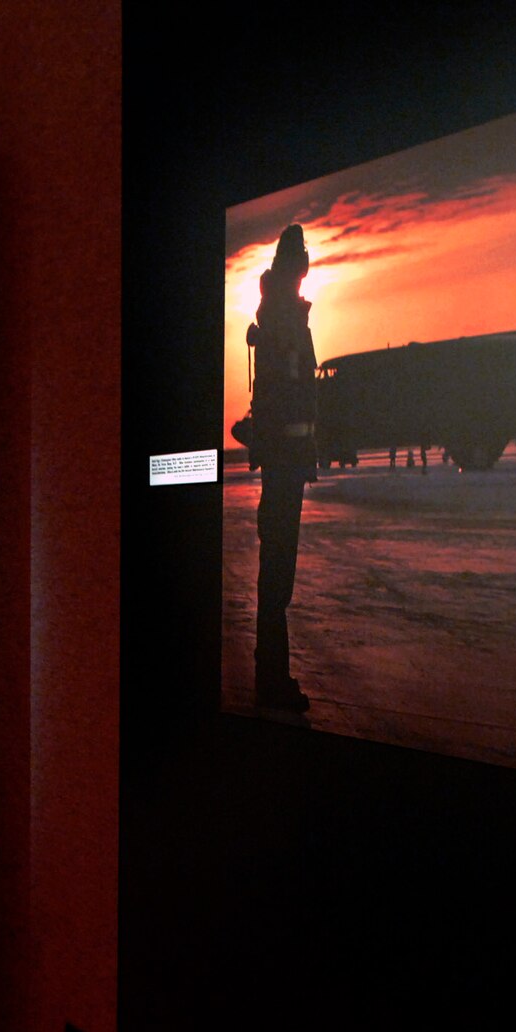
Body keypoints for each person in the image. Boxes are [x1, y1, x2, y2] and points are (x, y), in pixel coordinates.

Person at [240, 223, 319, 712]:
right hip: (285, 468)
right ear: (298, 269)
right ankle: (272, 682)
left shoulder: (278, 319)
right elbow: (287, 397)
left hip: (284, 465)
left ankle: (271, 677)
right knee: (277, 579)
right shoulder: (287, 322)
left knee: (275, 578)